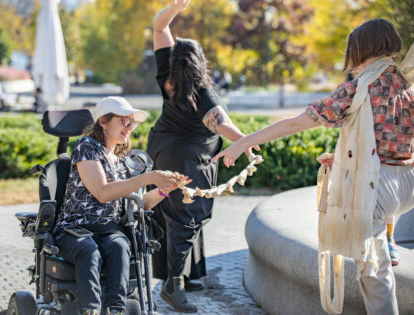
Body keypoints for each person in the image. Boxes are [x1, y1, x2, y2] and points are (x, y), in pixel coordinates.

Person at [213, 19, 413, 315]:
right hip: (407, 184)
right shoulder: (407, 86)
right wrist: (349, 158)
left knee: (375, 275)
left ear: (361, 49)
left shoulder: (357, 88)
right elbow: (394, 138)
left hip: (377, 189)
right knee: (377, 267)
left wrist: (244, 142)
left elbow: (296, 123)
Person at [146, 1, 257, 312]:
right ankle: (173, 285)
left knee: (174, 213)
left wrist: (174, 8)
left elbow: (158, 26)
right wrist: (247, 142)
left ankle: (189, 273)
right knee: (187, 218)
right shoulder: (202, 91)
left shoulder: (166, 71)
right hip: (188, 157)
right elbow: (221, 123)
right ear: (199, 62)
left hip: (161, 146)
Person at [52, 96, 189, 315]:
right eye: (124, 121)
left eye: (132, 122)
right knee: (89, 251)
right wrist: (148, 177)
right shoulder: (87, 146)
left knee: (120, 246)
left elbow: (140, 203)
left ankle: (116, 311)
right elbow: (102, 193)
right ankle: (91, 311)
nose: (129, 127)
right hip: (74, 229)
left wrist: (166, 188)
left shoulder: (122, 161)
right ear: (103, 122)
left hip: (108, 230)